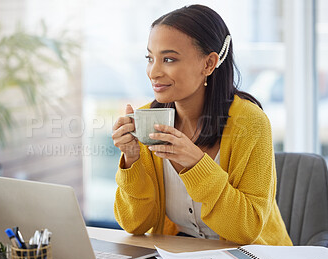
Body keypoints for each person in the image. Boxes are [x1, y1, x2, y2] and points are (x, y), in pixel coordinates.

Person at [112, 4, 292, 246]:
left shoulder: (250, 123)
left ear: (208, 64)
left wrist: (197, 164)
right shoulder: (147, 120)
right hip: (183, 258)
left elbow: (246, 230)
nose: (153, 72)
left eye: (168, 59)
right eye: (150, 58)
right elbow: (134, 225)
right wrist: (131, 161)